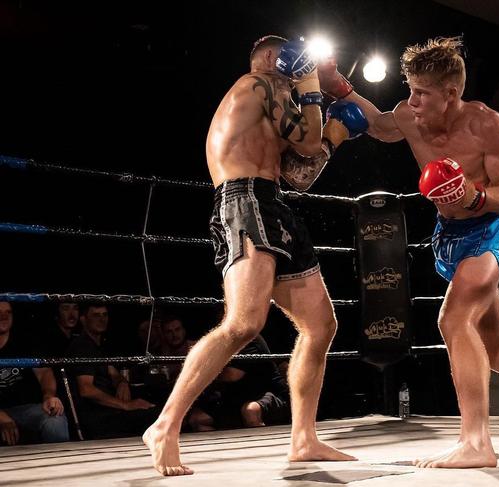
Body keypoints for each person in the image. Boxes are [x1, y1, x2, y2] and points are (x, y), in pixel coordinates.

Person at [320, 36, 499, 468]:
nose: (411, 101)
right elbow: (381, 125)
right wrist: (339, 87)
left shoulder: (489, 126)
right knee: (498, 351)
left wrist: (474, 196)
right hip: (448, 234)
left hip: (490, 230)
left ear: (451, 94)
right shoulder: (410, 115)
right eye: (410, 90)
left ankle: (476, 443)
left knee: (452, 319)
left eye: (422, 93)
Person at [143, 35, 365, 475]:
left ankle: (303, 439)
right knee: (244, 323)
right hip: (243, 200)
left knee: (321, 325)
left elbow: (300, 174)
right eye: (290, 61)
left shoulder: (273, 104)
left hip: (273, 203)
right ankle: (165, 426)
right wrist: (310, 88)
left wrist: (336, 135)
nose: (296, 68)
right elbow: (305, 140)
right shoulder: (256, 85)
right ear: (269, 57)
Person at [66, 303, 159, 439]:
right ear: (83, 319)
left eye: (105, 315)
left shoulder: (98, 346)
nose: (102, 319)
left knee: (155, 405)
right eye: (96, 315)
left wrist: (122, 383)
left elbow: (113, 373)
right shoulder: (82, 347)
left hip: (112, 412)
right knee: (156, 415)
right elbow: (86, 390)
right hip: (98, 419)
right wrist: (126, 405)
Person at [0, 301, 69, 445]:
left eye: (8, 312)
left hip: (26, 408)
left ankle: (60, 466)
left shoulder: (24, 341)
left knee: (55, 419)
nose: (4, 316)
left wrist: (49, 396)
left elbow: (44, 373)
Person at [188, 334, 290, 431]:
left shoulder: (249, 338)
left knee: (251, 410)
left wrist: (203, 369)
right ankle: (224, 448)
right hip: (237, 397)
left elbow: (231, 375)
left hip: (269, 394)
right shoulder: (220, 341)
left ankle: (259, 447)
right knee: (198, 419)